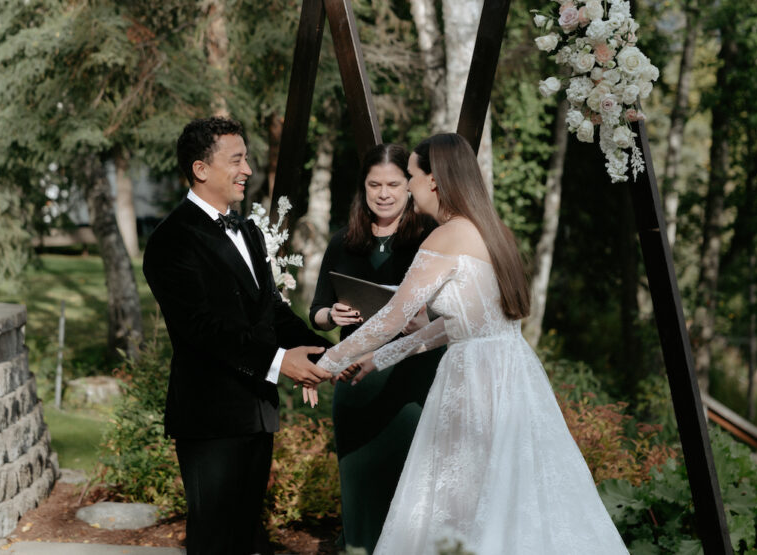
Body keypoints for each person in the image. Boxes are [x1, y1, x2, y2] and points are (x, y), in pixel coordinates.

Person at [313, 133, 628, 554]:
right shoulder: (495, 232)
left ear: (435, 181)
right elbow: (453, 326)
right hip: (511, 371)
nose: (406, 186)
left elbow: (393, 317)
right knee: (511, 491)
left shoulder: (445, 238)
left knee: (461, 495)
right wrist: (379, 358)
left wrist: (326, 362)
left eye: (410, 176)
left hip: (474, 379)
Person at [142, 117, 332, 555]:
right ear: (201, 169)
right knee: (213, 540)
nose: (247, 169)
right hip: (210, 417)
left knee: (248, 537)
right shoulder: (171, 239)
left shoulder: (247, 229)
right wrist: (281, 362)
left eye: (246, 158)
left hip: (256, 411)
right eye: (237, 159)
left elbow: (270, 311)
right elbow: (200, 330)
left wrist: (330, 354)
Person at [309, 143, 441, 554]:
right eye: (374, 185)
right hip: (354, 382)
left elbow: (449, 313)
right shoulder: (342, 242)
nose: (383, 193)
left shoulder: (430, 238)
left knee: (406, 483)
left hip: (410, 379)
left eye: (393, 184)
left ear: (409, 186)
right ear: (362, 188)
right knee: (358, 485)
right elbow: (316, 311)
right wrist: (333, 315)